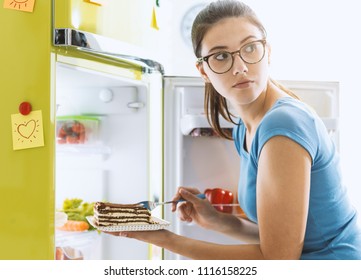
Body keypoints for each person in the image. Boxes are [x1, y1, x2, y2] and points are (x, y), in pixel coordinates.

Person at [105, 0, 361, 259]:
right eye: (221, 56)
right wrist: (217, 220)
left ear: (268, 52)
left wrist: (162, 238)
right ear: (203, 70)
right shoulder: (245, 128)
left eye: (250, 48)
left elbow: (278, 259)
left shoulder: (282, 124)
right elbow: (277, 237)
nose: (240, 66)